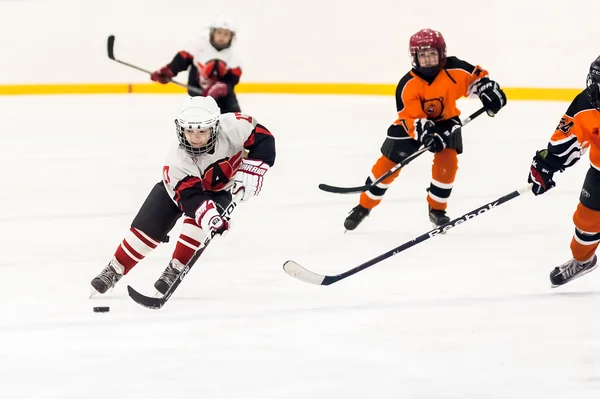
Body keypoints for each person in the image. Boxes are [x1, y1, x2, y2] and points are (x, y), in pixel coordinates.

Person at [90, 96, 275, 295]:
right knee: (147, 228)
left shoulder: (236, 127)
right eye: (189, 131)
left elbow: (264, 139)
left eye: (202, 131)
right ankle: (115, 267)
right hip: (177, 192)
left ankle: (176, 267)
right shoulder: (177, 161)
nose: (195, 138)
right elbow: (191, 198)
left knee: (195, 230)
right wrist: (210, 217)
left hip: (220, 190)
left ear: (215, 127)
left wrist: (253, 169)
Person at [343, 28, 507, 231]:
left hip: (446, 120)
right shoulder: (407, 85)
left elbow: (479, 81)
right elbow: (410, 118)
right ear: (414, 58)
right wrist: (427, 134)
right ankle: (363, 207)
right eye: (423, 55)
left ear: (441, 54)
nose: (428, 59)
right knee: (387, 165)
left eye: (432, 54)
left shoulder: (456, 69)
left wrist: (489, 93)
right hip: (413, 126)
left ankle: (437, 210)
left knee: (447, 163)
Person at [527, 56, 600, 287]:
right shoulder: (586, 103)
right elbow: (567, 140)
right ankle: (583, 261)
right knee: (586, 222)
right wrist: (547, 165)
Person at [150, 14, 243, 113]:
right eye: (219, 32)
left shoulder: (234, 56)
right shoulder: (199, 46)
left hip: (223, 99)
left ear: (231, 37)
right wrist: (169, 71)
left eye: (226, 34)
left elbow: (232, 80)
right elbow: (182, 59)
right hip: (197, 93)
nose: (222, 36)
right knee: (198, 121)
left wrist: (220, 88)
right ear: (212, 32)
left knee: (234, 119)